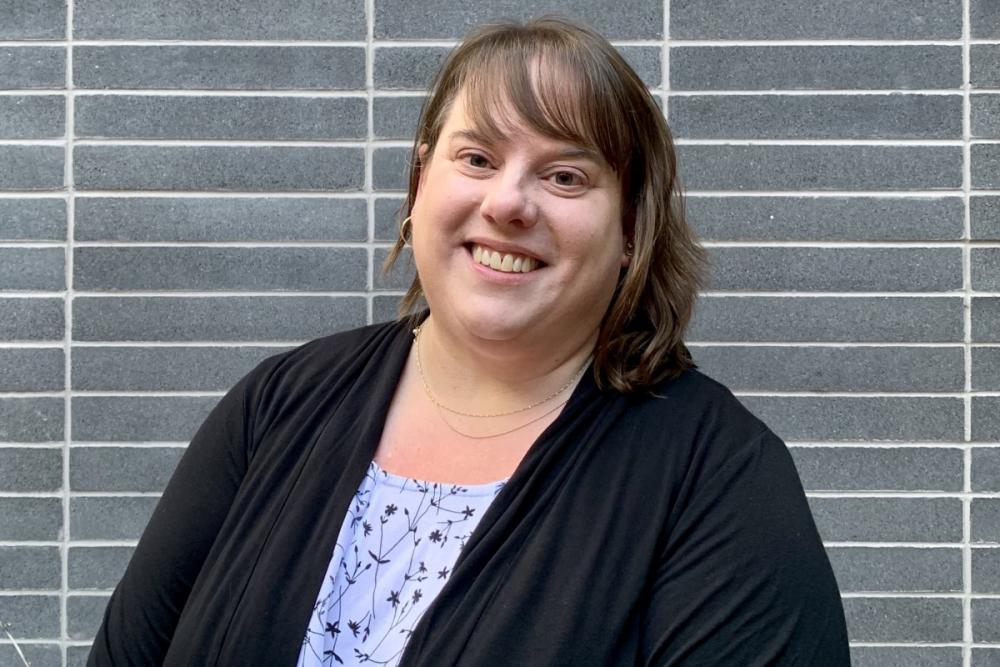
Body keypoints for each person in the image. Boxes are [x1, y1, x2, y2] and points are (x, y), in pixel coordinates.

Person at [87, 16, 850, 667]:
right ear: (420, 186)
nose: (509, 202)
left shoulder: (717, 475)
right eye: (477, 158)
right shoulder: (277, 405)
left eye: (565, 176)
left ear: (629, 231)